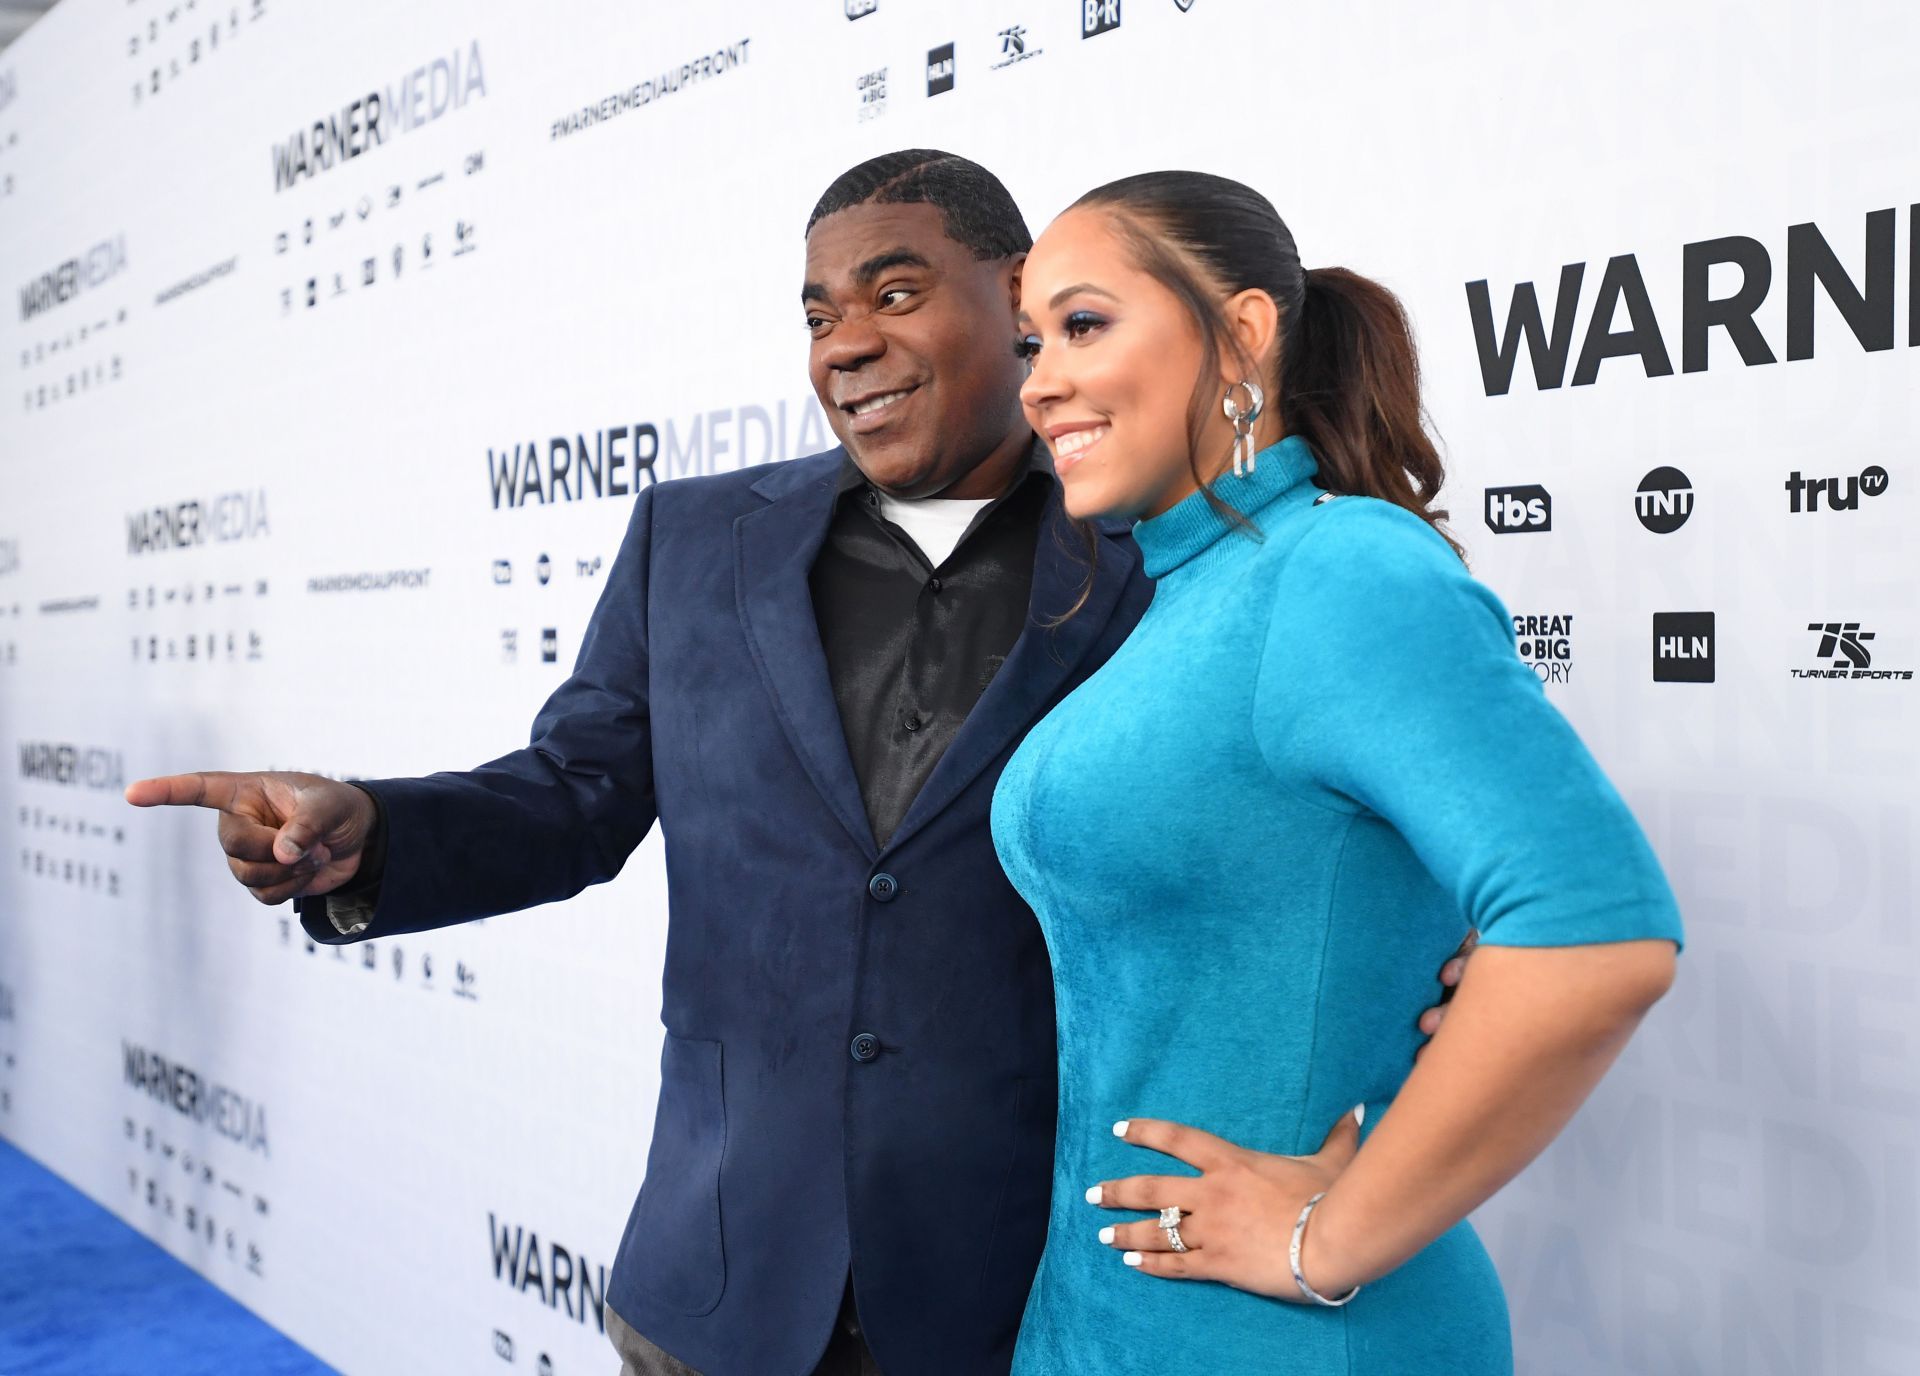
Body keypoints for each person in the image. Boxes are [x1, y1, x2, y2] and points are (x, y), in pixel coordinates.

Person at [124, 153, 1469, 1376]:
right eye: (820, 313)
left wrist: (1450, 951)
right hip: (721, 1277)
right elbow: (573, 795)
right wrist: (371, 833)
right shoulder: (692, 542)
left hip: (1029, 1286)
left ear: (1020, 297)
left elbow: (1323, 827)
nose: (847, 343)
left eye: (896, 292)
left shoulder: (1170, 552)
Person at [993, 170, 1683, 1375]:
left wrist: (1324, 1238)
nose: (1039, 381)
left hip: (1289, 1340)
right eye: (1031, 342)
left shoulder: (1337, 566)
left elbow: (1595, 931)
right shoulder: (1184, 593)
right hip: (1105, 1324)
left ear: (1242, 333)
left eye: (1084, 324)